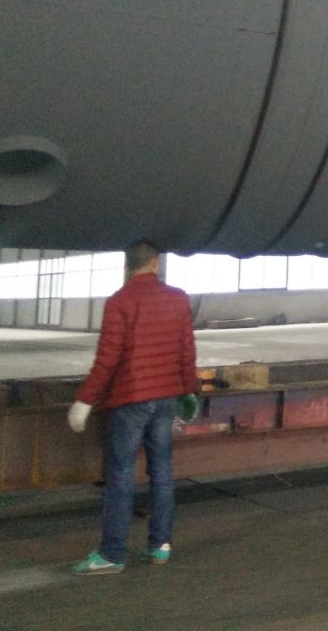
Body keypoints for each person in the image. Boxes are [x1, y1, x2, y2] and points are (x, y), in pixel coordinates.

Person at [68, 240, 198, 575]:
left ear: (127, 266)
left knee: (121, 475)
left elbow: (108, 358)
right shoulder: (178, 299)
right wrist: (189, 390)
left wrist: (85, 399)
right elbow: (187, 350)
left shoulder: (119, 302)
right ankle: (160, 546)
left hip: (130, 400)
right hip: (166, 397)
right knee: (162, 472)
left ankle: (112, 554)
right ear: (155, 263)